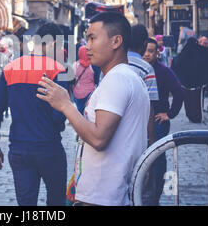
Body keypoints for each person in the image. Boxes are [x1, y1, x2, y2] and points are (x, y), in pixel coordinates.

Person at [37, 13, 150, 206]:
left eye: (93, 38)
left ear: (116, 41)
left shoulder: (118, 79)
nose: (87, 46)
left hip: (103, 196)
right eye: (87, 39)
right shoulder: (125, 77)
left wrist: (65, 105)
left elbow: (99, 138)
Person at [0, 22, 69, 206]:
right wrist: (57, 126)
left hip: (19, 150)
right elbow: (59, 115)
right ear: (53, 44)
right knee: (56, 202)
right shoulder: (57, 69)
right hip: (49, 148)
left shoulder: (10, 69)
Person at [143, 38, 184, 205]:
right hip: (141, 122)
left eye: (151, 51)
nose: (147, 54)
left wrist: (170, 114)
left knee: (158, 158)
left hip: (158, 121)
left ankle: (155, 196)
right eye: (145, 50)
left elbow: (179, 92)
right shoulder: (139, 69)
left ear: (157, 53)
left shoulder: (163, 71)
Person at [172, 37, 208, 123]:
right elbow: (207, 61)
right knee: (197, 101)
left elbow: (177, 66)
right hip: (198, 82)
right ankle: (197, 117)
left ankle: (190, 115)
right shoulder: (201, 52)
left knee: (188, 101)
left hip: (185, 83)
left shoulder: (183, 53)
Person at [128, 24, 159, 146]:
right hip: (137, 129)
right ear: (145, 43)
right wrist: (151, 139)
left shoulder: (112, 65)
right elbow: (150, 106)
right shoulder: (146, 69)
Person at [72, 46, 99, 115]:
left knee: (80, 111)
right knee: (88, 113)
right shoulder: (93, 65)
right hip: (90, 93)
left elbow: (72, 79)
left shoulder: (75, 65)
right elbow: (96, 80)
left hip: (77, 93)